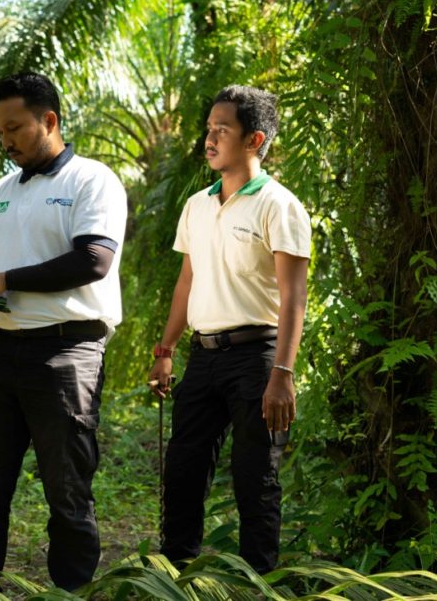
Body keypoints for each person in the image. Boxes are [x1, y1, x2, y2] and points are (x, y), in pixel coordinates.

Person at [0, 72, 127, 591]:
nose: (6, 140)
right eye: (0, 131)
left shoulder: (91, 180)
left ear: (49, 120)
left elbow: (93, 260)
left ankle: (71, 591)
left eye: (14, 127)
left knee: (68, 490)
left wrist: (2, 279)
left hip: (67, 350)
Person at [148, 85, 310, 574]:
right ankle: (177, 575)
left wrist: (282, 372)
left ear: (254, 139)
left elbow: (293, 296)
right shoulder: (198, 205)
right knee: (183, 468)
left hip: (257, 359)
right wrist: (166, 349)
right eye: (208, 128)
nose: (209, 138)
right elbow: (187, 281)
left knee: (254, 476)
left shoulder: (278, 206)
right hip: (204, 356)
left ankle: (258, 580)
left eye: (222, 129)